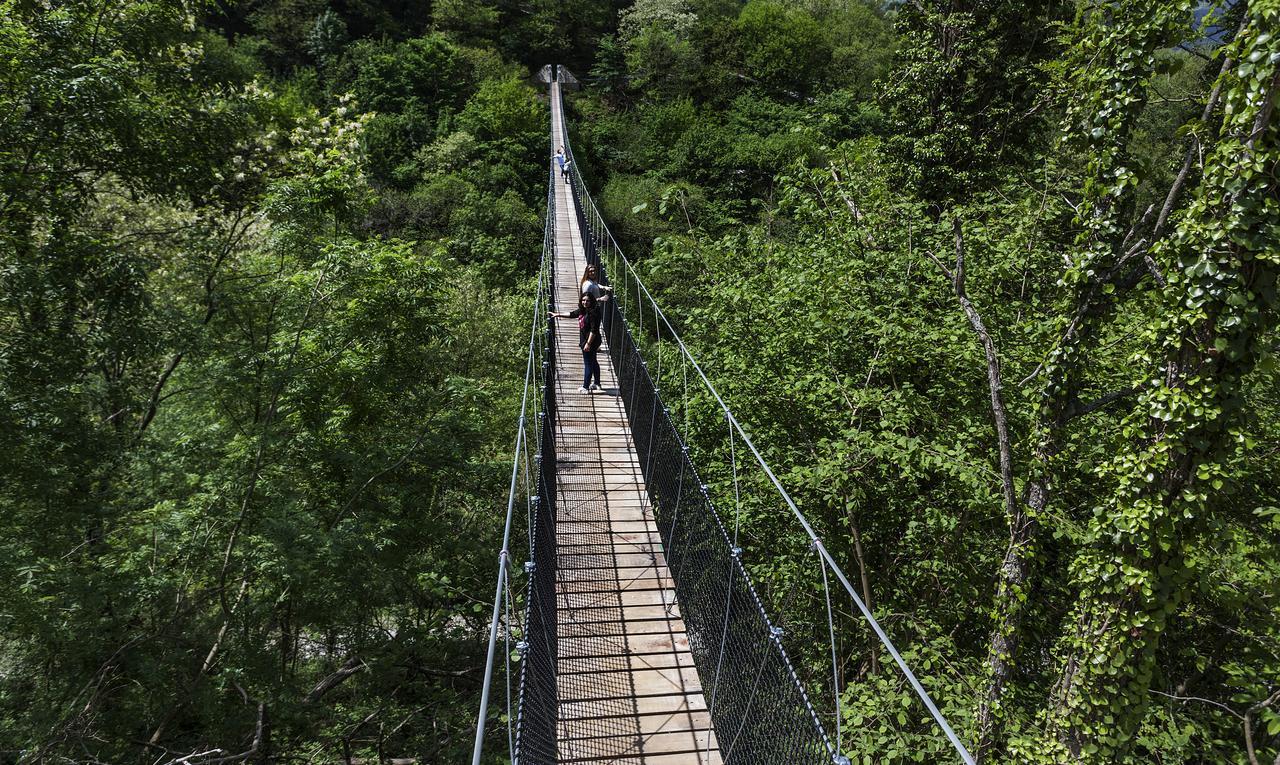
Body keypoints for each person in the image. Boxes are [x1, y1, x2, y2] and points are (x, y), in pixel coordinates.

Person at [550, 292, 603, 393]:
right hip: (588, 340)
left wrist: (588, 343)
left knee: (588, 364)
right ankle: (597, 383)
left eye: (587, 300)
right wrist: (558, 314)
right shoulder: (584, 310)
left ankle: (585, 387)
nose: (585, 302)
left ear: (591, 301)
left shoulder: (593, 313)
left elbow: (594, 330)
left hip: (590, 341)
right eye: (583, 300)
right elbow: (572, 314)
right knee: (593, 361)